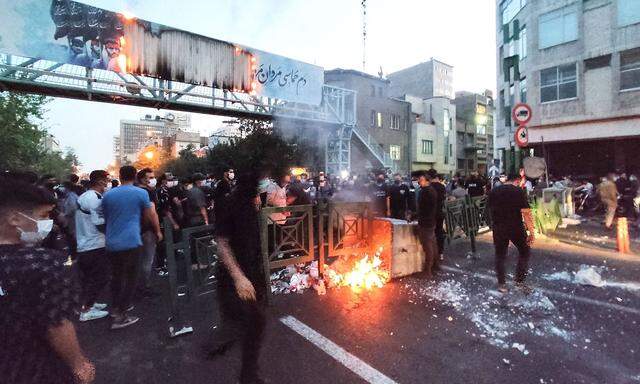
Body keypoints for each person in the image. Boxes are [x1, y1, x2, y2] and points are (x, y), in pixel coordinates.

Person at [0, 181, 95, 384]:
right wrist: (79, 364)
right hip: (34, 367)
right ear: (15, 218)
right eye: (43, 216)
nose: (48, 222)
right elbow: (57, 325)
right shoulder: (44, 263)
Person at [209, 172, 267, 384]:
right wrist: (238, 277)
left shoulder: (252, 205)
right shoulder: (229, 204)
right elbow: (222, 245)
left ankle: (245, 371)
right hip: (232, 278)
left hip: (250, 274)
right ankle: (247, 376)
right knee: (254, 323)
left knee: (250, 322)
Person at [102, 166, 162, 330]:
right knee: (131, 278)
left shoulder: (108, 194)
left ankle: (115, 309)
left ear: (120, 176)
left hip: (111, 241)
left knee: (116, 277)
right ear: (135, 176)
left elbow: (106, 216)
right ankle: (121, 316)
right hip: (131, 240)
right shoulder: (141, 193)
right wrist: (157, 231)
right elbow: (151, 214)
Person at [487, 173, 536, 294]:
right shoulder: (518, 191)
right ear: (517, 181)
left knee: (500, 255)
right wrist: (531, 232)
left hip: (499, 227)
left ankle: (502, 284)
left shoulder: (494, 191)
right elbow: (526, 213)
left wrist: (493, 225)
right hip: (516, 227)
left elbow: (487, 210)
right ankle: (519, 281)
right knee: (524, 251)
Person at [75, 170, 111, 322]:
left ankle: (89, 303)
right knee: (100, 277)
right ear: (100, 181)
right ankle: (86, 310)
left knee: (90, 278)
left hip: (85, 243)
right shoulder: (95, 198)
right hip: (94, 244)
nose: (107, 183)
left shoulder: (85, 195)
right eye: (106, 180)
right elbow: (99, 223)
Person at [135, 168, 162, 293]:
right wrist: (157, 231)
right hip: (147, 230)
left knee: (139, 259)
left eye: (153, 176)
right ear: (142, 179)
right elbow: (152, 213)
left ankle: (138, 285)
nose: (153, 179)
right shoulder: (147, 192)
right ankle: (144, 287)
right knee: (148, 259)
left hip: (136, 230)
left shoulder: (135, 191)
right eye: (150, 177)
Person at [414, 170, 439, 277]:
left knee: (428, 246)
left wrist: (416, 216)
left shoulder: (426, 192)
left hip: (426, 222)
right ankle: (435, 266)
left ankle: (427, 271)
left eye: (421, 179)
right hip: (430, 220)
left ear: (427, 181)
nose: (419, 181)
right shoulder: (430, 190)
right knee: (432, 244)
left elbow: (424, 208)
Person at [428, 169, 446, 264]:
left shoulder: (429, 187)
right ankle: (440, 253)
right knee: (439, 232)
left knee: (430, 234)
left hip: (430, 214)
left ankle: (431, 255)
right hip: (440, 212)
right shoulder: (442, 187)